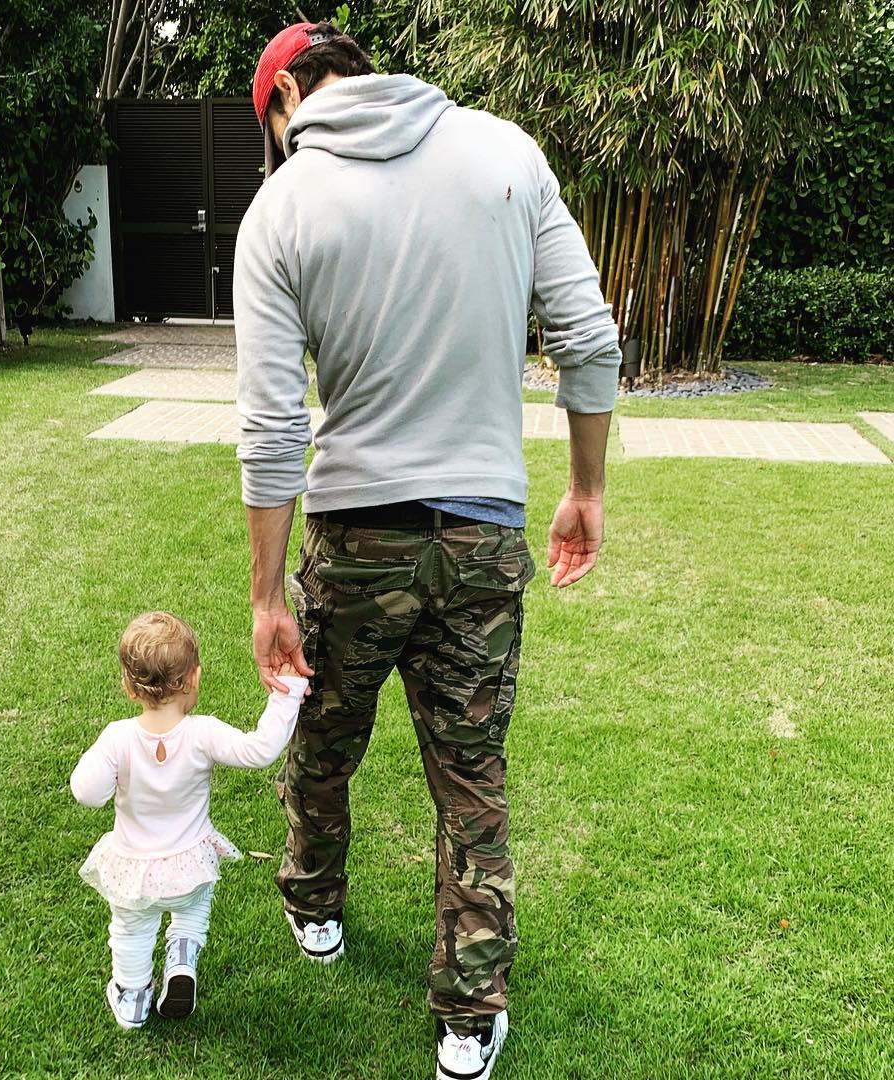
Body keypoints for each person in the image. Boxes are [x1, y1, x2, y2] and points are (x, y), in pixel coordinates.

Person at [234, 21, 620, 1080]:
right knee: (471, 780)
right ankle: (466, 1019)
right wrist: (585, 488)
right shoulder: (505, 151)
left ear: (283, 103)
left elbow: (271, 429)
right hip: (485, 533)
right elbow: (587, 339)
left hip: (353, 545)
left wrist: (269, 592)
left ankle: (314, 903)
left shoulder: (282, 206)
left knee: (322, 744)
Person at [70, 611, 308, 1030]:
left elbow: (87, 792)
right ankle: (182, 958)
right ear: (194, 679)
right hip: (190, 865)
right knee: (191, 912)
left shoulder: (118, 738)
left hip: (134, 872)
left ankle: (133, 995)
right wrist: (287, 691)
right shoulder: (203, 734)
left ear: (129, 687)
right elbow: (260, 750)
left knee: (130, 930)